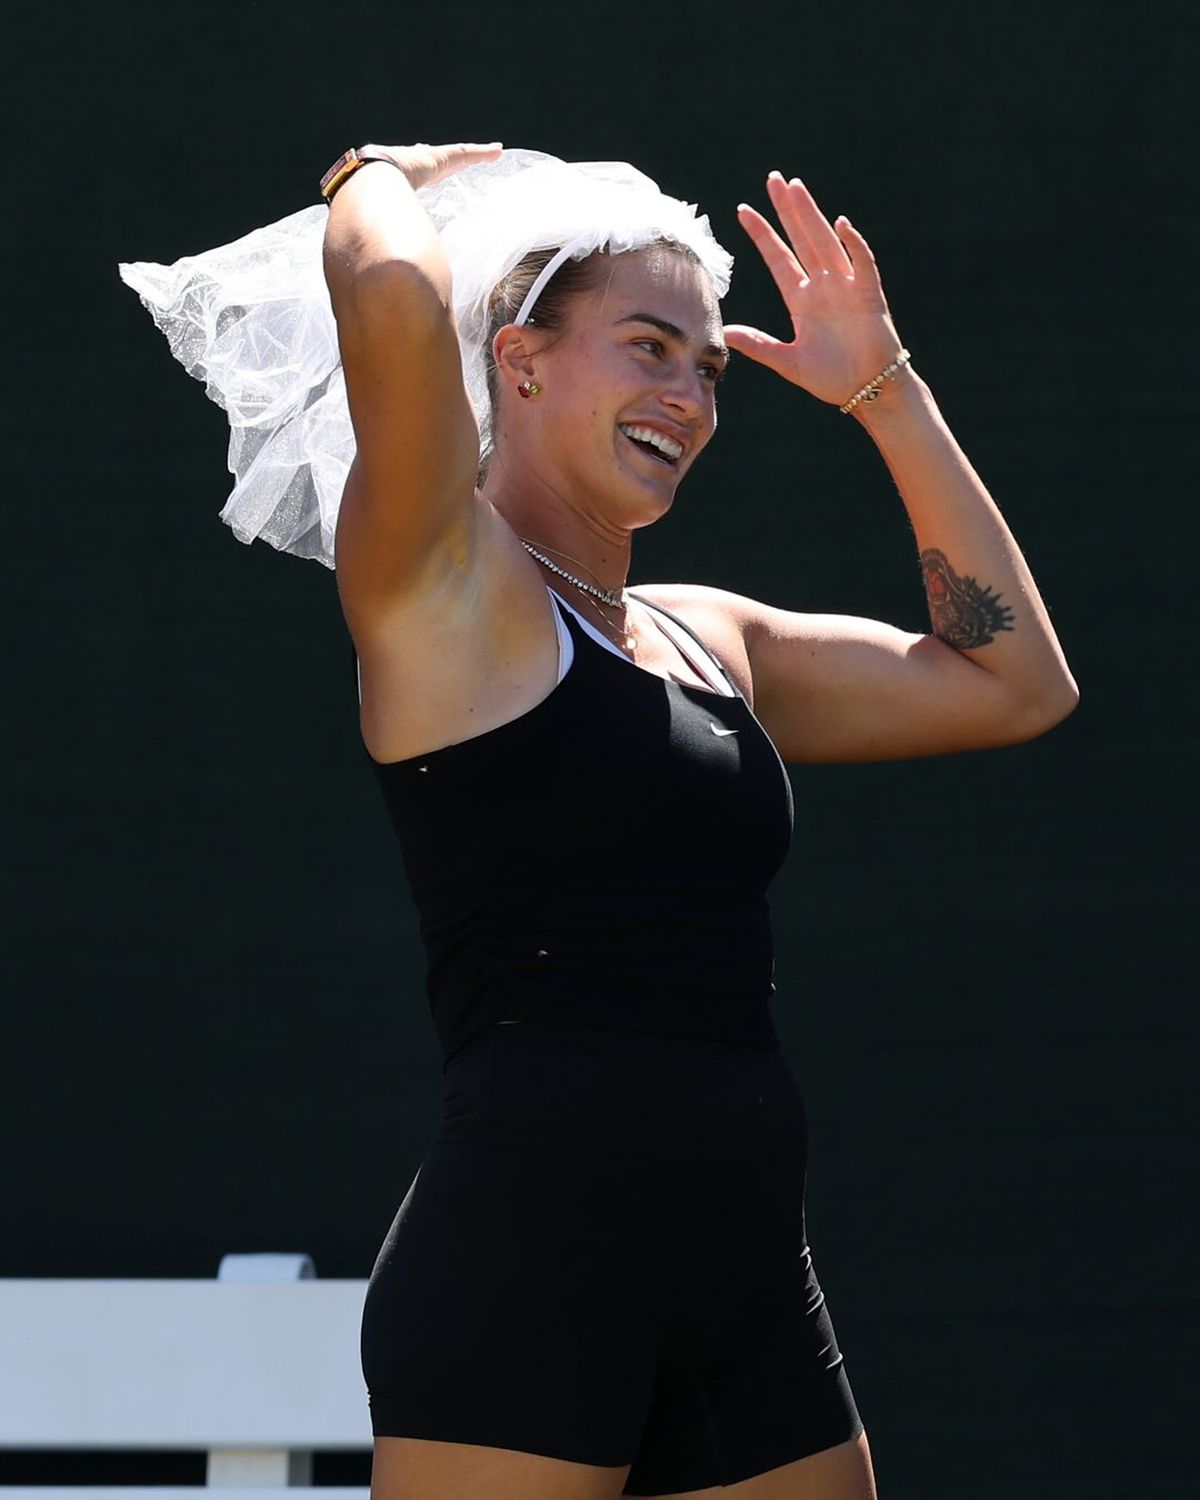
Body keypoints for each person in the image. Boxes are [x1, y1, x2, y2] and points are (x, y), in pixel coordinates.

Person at [121, 142, 1077, 1500]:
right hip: (527, 1274)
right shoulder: (446, 585)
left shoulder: (708, 637)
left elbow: (1015, 683)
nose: (688, 394)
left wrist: (885, 389)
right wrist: (376, 169)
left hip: (748, 1280)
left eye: (707, 369)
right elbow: (392, 290)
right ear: (518, 361)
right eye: (646, 347)